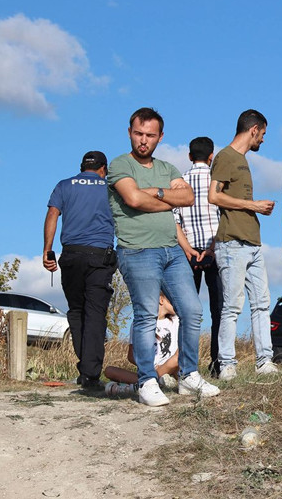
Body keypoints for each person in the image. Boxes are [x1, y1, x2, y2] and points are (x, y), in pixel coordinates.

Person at [108, 107, 219, 407]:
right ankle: (146, 381)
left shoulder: (168, 168)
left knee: (192, 311)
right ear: (129, 132)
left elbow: (186, 198)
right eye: (138, 133)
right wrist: (164, 198)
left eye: (150, 135)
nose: (143, 140)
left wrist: (151, 194)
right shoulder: (119, 165)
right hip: (138, 251)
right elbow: (131, 198)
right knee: (145, 315)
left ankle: (188, 375)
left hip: (172, 250)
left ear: (160, 137)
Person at [208, 109, 279, 378]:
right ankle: (227, 365)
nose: (263, 140)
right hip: (232, 243)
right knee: (232, 306)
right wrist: (253, 205)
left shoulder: (243, 160)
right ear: (254, 130)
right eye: (263, 134)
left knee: (262, 303)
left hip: (253, 242)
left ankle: (265, 362)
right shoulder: (226, 156)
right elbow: (213, 196)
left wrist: (254, 208)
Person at [43, 151, 116, 390]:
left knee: (76, 310)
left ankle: (85, 367)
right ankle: (90, 374)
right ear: (103, 169)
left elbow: (53, 214)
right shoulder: (110, 187)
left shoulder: (64, 185)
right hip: (99, 255)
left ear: (82, 167)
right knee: (95, 312)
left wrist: (47, 250)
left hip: (71, 254)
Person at [174, 136, 223, 377]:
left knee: (187, 312)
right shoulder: (217, 181)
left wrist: (187, 250)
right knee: (219, 311)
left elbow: (174, 220)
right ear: (211, 155)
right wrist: (211, 248)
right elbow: (224, 217)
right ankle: (217, 364)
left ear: (190, 156)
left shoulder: (179, 182)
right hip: (214, 252)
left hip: (188, 254)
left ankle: (186, 365)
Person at [104, 293, 179, 396]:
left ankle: (136, 387)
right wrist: (149, 367)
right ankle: (156, 382)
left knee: (177, 358)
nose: (177, 303)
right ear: (161, 299)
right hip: (149, 371)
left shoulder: (176, 321)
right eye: (173, 300)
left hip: (171, 368)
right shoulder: (137, 324)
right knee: (109, 371)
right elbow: (131, 356)